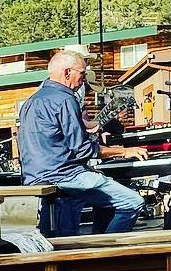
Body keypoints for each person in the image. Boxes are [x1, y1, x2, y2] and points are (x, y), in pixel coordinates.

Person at [17, 50, 143, 233]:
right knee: (132, 202)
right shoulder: (65, 99)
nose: (84, 80)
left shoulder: (31, 101)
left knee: (102, 204)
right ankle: (106, 254)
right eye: (82, 74)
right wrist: (124, 151)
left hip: (33, 176)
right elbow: (82, 150)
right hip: (64, 175)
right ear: (67, 72)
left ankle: (92, 245)